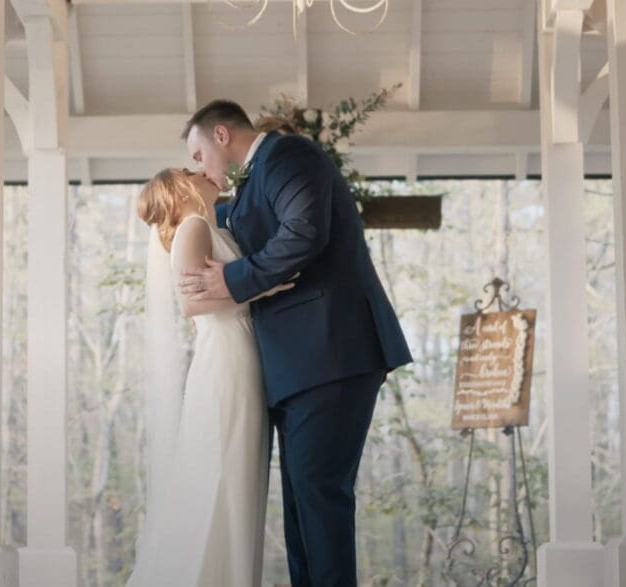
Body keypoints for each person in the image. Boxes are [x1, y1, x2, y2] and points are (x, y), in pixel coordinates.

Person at [180, 99, 414, 587]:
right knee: (301, 506)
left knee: (319, 497)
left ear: (221, 135)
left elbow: (304, 233)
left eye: (199, 153)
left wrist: (233, 280)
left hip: (332, 350)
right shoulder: (248, 188)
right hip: (297, 367)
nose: (199, 165)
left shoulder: (288, 155)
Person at [127, 167, 292, 586]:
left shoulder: (213, 225)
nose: (201, 170)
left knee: (239, 474)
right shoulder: (193, 226)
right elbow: (191, 304)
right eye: (189, 169)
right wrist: (265, 286)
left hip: (242, 350)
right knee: (225, 472)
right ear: (178, 189)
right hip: (226, 356)